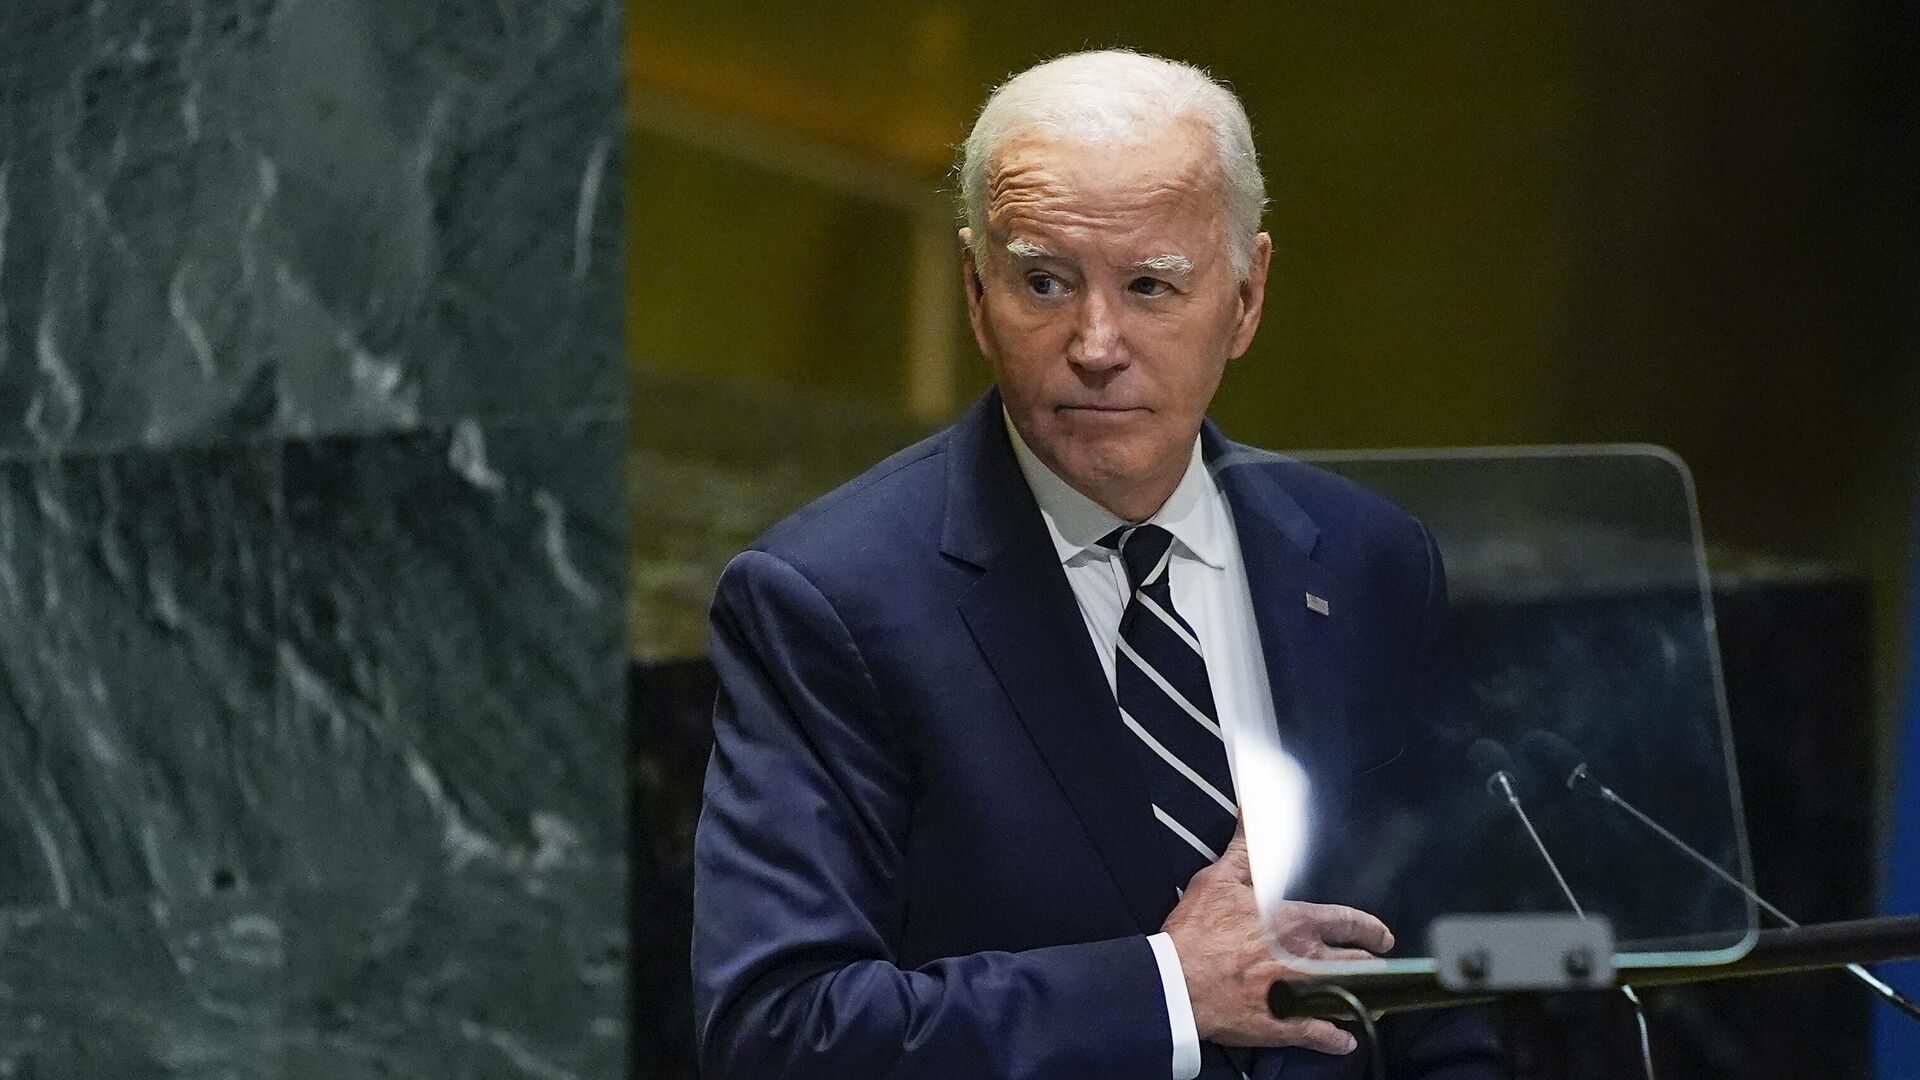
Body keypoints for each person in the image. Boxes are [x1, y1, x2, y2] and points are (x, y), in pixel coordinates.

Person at [692, 49, 1503, 1080]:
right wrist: (1167, 990)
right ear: (975, 291)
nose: (1096, 344)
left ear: (1247, 297)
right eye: (1044, 282)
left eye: (1152, 285)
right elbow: (778, 1030)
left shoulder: (1369, 561)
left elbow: (1439, 998)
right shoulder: (828, 599)